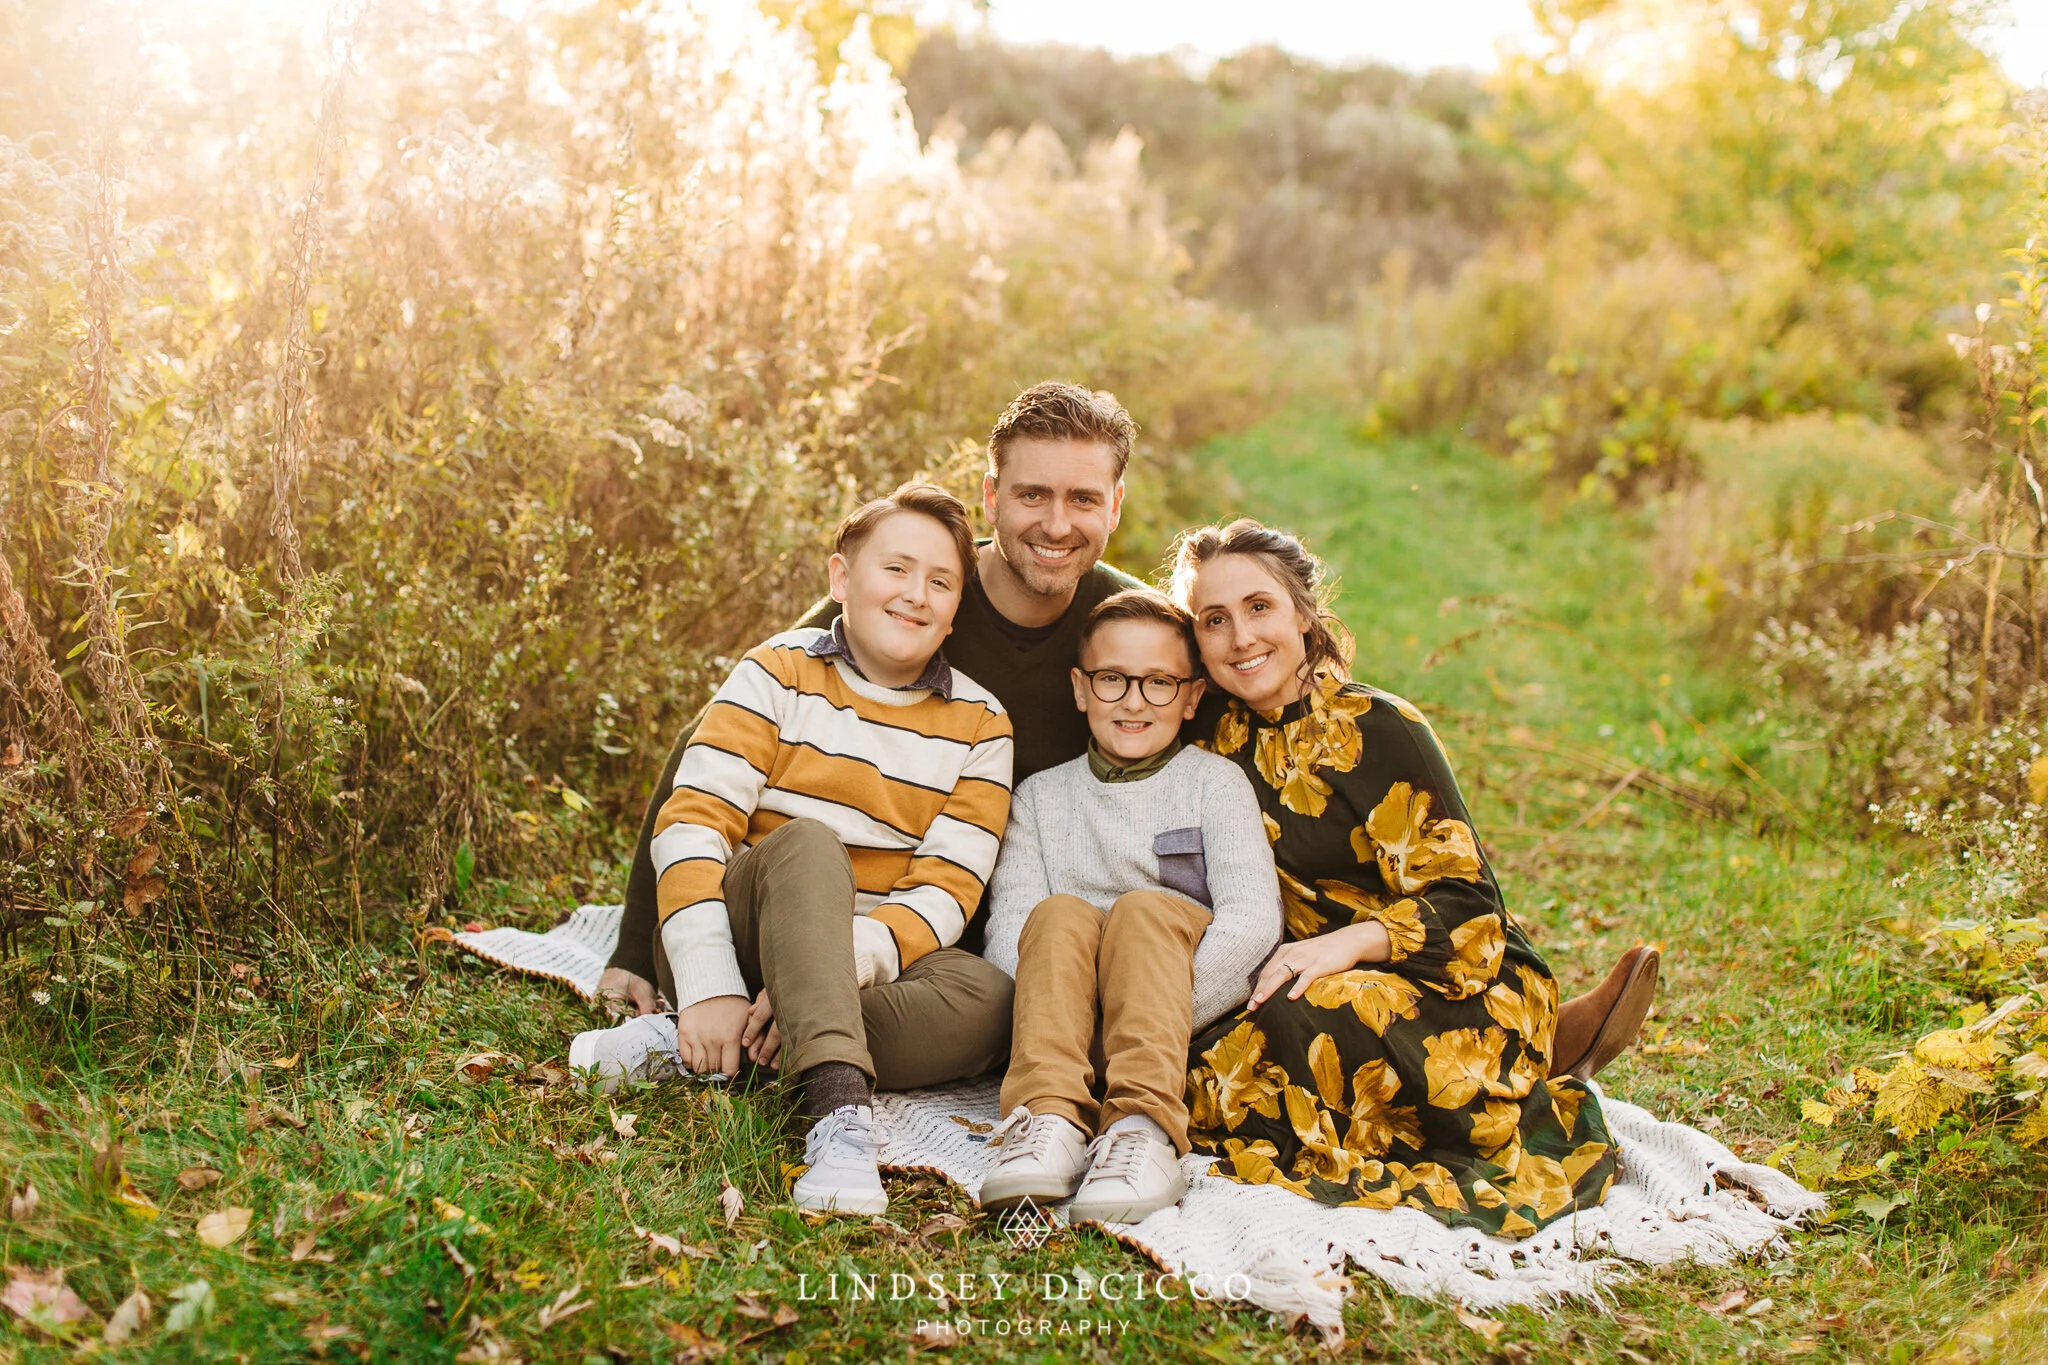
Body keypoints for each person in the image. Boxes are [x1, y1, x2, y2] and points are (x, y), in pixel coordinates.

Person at [1168, 519, 1658, 1237]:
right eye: (1214, 619)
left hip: (1445, 973)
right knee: (1201, 1058)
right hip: (1289, 970)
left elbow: (1470, 907)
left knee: (1301, 1015)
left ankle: (1526, 1057)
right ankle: (1516, 1067)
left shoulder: (1380, 726)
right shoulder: (1212, 731)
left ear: (1304, 612)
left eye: (1259, 607)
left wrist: (1347, 944)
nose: (1240, 636)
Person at [595, 382, 1146, 1017]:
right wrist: (636, 948)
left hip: (941, 939)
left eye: (1083, 498)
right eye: (1032, 495)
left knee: (989, 1017)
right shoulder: (915, 595)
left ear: (1115, 504)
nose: (1056, 523)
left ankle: (795, 1028)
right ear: (992, 497)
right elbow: (714, 742)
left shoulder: (1132, 627)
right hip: (813, 901)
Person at [570, 482, 1015, 1215]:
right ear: (842, 577)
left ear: (958, 606)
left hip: (860, 957)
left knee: (993, 999)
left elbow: (947, 888)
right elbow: (693, 822)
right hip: (744, 927)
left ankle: (700, 1055)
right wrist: (710, 981)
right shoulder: (777, 669)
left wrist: (826, 970)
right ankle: (838, 1117)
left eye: (941, 582)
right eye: (895, 569)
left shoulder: (980, 723)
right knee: (810, 844)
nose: (915, 594)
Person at [977, 590, 1281, 1223]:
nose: (1135, 701)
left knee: (1145, 910)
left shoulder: (1214, 783)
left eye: (1160, 683)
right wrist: (1075, 1017)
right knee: (1055, 915)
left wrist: (1149, 1010)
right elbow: (1009, 935)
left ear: (1193, 696)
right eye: (1113, 679)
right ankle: (1050, 1119)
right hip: (1066, 1021)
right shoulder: (1039, 798)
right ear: (1081, 688)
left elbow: (1253, 922)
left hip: (1173, 1019)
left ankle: (1143, 1128)